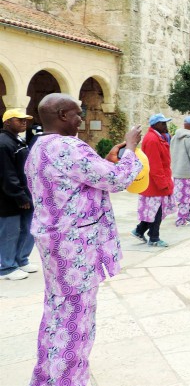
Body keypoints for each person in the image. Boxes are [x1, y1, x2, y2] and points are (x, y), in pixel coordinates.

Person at [25, 93, 142, 386]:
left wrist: (106, 160)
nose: (81, 118)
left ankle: (46, 376)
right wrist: (130, 148)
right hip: (75, 248)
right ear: (63, 114)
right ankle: (67, 380)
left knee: (56, 313)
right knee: (75, 321)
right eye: (78, 113)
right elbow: (116, 180)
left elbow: (80, 181)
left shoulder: (39, 147)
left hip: (55, 243)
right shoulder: (68, 147)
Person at [0, 109, 36, 280]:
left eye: (25, 120)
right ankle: (6, 267)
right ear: (7, 122)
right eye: (19, 120)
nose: (24, 122)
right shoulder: (3, 143)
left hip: (24, 194)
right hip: (8, 198)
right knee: (10, 232)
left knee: (29, 228)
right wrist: (19, 196)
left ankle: (21, 260)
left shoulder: (17, 141)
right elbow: (7, 174)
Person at [132, 113, 175, 247]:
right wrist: (164, 185)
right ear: (155, 124)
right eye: (163, 123)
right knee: (156, 210)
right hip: (155, 183)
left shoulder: (157, 137)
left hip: (157, 181)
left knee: (155, 210)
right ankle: (154, 238)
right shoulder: (153, 139)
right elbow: (155, 165)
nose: (165, 126)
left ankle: (139, 230)